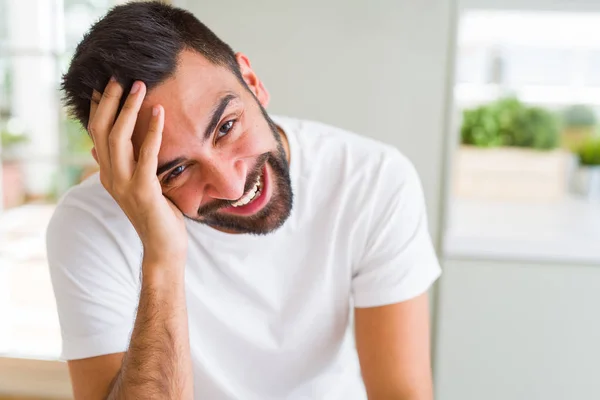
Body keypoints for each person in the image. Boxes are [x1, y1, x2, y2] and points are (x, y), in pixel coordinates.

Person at [47, 2, 441, 399]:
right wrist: (162, 259)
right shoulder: (88, 225)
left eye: (227, 127)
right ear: (121, 169)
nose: (232, 186)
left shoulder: (371, 180)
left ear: (252, 81)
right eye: (176, 171)